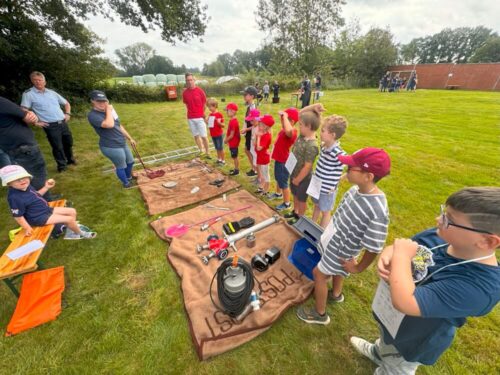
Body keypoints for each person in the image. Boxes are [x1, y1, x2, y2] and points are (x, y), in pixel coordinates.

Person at [350, 187, 500, 375]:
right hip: (392, 319)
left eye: (449, 220)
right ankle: (379, 352)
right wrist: (391, 252)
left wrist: (401, 258)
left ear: (487, 242)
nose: (439, 220)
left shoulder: (480, 288)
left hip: (415, 339)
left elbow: (407, 301)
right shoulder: (441, 236)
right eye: (443, 213)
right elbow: (411, 248)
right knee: (387, 342)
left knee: (397, 365)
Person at [296, 147, 391, 325]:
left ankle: (320, 314)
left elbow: (374, 246)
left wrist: (358, 268)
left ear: (368, 176)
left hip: (342, 248)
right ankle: (336, 294)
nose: (346, 170)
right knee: (339, 269)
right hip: (334, 243)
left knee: (319, 274)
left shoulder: (377, 209)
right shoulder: (355, 190)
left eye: (351, 168)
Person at [1, 165, 95, 240]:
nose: (22, 180)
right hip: (38, 218)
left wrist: (46, 187)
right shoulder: (14, 198)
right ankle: (79, 233)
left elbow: (36, 195)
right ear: (9, 184)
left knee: (72, 211)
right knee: (69, 219)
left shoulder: (26, 186)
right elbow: (18, 216)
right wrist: (27, 228)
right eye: (16, 180)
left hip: (45, 210)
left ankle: (71, 231)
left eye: (23, 177)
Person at [21, 71, 75, 172]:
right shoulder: (28, 94)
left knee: (68, 143)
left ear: (44, 81)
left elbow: (66, 103)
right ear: (32, 81)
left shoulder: (52, 92)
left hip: (62, 122)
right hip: (50, 125)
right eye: (35, 80)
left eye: (40, 80)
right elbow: (24, 110)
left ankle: (70, 160)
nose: (38, 82)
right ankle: (62, 166)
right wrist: (35, 122)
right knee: (57, 146)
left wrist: (67, 114)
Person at [87, 90, 136, 188]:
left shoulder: (111, 111)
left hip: (121, 142)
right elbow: (109, 124)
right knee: (121, 165)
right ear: (92, 101)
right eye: (99, 101)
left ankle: (129, 177)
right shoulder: (92, 115)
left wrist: (130, 138)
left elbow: (118, 125)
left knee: (130, 161)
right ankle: (126, 183)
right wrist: (108, 110)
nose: (102, 103)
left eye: (104, 101)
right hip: (110, 146)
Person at [0, 96, 49, 193]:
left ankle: (32, 200)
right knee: (36, 173)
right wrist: (30, 114)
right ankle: (45, 202)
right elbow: (29, 118)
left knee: (21, 176)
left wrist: (28, 114)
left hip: (9, 146)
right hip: (23, 145)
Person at [283, 104, 322, 224]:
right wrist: (313, 107)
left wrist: (298, 179)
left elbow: (307, 166)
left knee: (301, 200)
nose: (298, 126)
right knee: (294, 194)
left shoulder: (312, 145)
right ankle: (295, 212)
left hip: (302, 179)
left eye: (300, 125)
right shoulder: (303, 135)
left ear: (308, 126)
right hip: (294, 172)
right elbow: (301, 113)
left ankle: (300, 218)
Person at [310, 115, 347, 228]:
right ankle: (311, 226)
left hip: (327, 190)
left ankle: (320, 233)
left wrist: (339, 178)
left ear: (332, 135)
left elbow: (352, 166)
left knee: (325, 212)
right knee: (316, 206)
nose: (320, 133)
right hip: (317, 184)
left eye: (323, 131)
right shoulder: (324, 146)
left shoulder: (338, 153)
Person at [268, 108, 299, 211]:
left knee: (283, 183)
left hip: (284, 162)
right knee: (278, 178)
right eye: (281, 119)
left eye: (284, 120)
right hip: (279, 159)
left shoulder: (292, 132)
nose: (281, 122)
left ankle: (287, 203)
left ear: (292, 122)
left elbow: (289, 131)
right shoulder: (284, 130)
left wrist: (285, 117)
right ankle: (278, 193)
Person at [182, 73, 209, 156]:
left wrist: (201, 113)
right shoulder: (185, 93)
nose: (189, 82)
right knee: (196, 136)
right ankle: (201, 151)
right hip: (190, 118)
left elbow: (204, 104)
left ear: (194, 80)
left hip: (200, 117)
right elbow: (186, 104)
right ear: (186, 81)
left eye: (191, 80)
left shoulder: (200, 91)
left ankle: (207, 152)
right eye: (188, 80)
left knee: (204, 136)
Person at [254, 114, 274, 195]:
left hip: (264, 158)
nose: (258, 125)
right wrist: (257, 136)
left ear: (265, 126)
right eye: (258, 123)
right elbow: (254, 144)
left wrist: (258, 137)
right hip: (260, 156)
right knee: (261, 173)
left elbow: (258, 147)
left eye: (260, 124)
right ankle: (262, 186)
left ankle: (266, 190)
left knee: (266, 175)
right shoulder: (262, 133)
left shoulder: (266, 136)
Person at [241, 87, 258, 177]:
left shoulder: (253, 108)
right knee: (247, 150)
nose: (244, 96)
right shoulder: (249, 106)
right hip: (248, 132)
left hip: (251, 133)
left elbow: (256, 124)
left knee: (250, 151)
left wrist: (246, 129)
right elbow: (247, 120)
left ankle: (255, 169)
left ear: (252, 96)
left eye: (246, 94)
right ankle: (254, 168)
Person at [206, 97, 225, 165]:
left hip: (219, 134)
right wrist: (206, 120)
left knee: (220, 148)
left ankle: (223, 161)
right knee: (217, 147)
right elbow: (209, 124)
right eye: (208, 107)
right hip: (213, 134)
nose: (209, 108)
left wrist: (219, 122)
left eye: (210, 107)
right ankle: (219, 159)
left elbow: (223, 125)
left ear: (215, 106)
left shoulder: (219, 114)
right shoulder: (210, 115)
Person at [224, 102, 240, 176]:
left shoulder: (233, 122)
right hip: (232, 142)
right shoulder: (232, 120)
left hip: (234, 142)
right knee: (234, 156)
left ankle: (236, 170)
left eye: (227, 111)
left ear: (232, 111)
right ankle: (235, 168)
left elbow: (232, 135)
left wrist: (226, 140)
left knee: (235, 156)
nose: (226, 112)